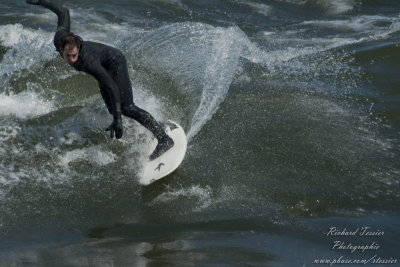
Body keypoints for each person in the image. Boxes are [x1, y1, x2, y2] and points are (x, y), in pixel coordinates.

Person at [26, 0, 174, 160]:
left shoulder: (88, 62)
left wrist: (118, 120)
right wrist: (40, 2)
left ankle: (164, 139)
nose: (71, 60)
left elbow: (112, 87)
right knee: (112, 107)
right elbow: (63, 11)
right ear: (61, 49)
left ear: (79, 49)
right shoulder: (60, 38)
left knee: (127, 107)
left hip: (115, 62)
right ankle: (155, 123)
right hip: (103, 65)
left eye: (74, 55)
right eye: (67, 56)